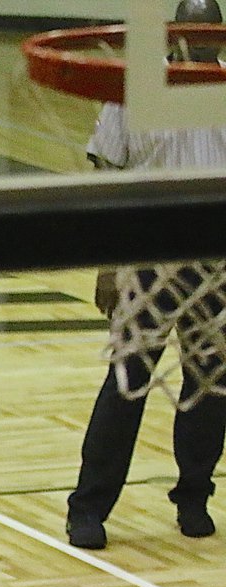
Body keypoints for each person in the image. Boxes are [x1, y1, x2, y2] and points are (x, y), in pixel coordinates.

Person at [66, 0, 226, 550]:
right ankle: (87, 507)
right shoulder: (133, 90)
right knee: (127, 384)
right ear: (174, 33)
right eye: (193, 30)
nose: (202, 41)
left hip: (216, 263)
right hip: (149, 264)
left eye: (212, 31)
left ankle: (194, 497)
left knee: (210, 386)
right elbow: (105, 178)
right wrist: (108, 266)